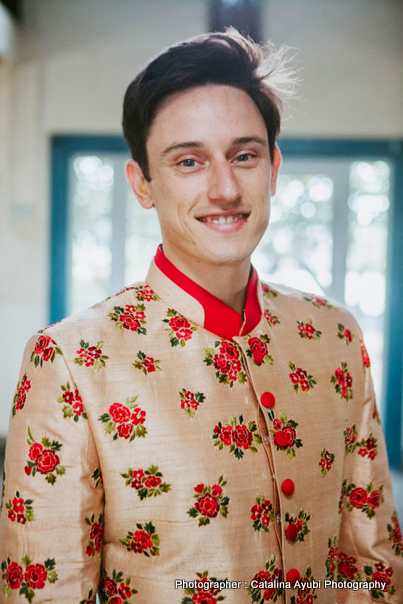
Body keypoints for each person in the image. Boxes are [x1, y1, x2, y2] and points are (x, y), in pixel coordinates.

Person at [0, 28, 401, 604]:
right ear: (143, 183)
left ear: (273, 169)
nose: (225, 187)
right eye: (189, 161)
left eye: (244, 155)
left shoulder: (333, 335)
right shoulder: (71, 362)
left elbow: (372, 560)